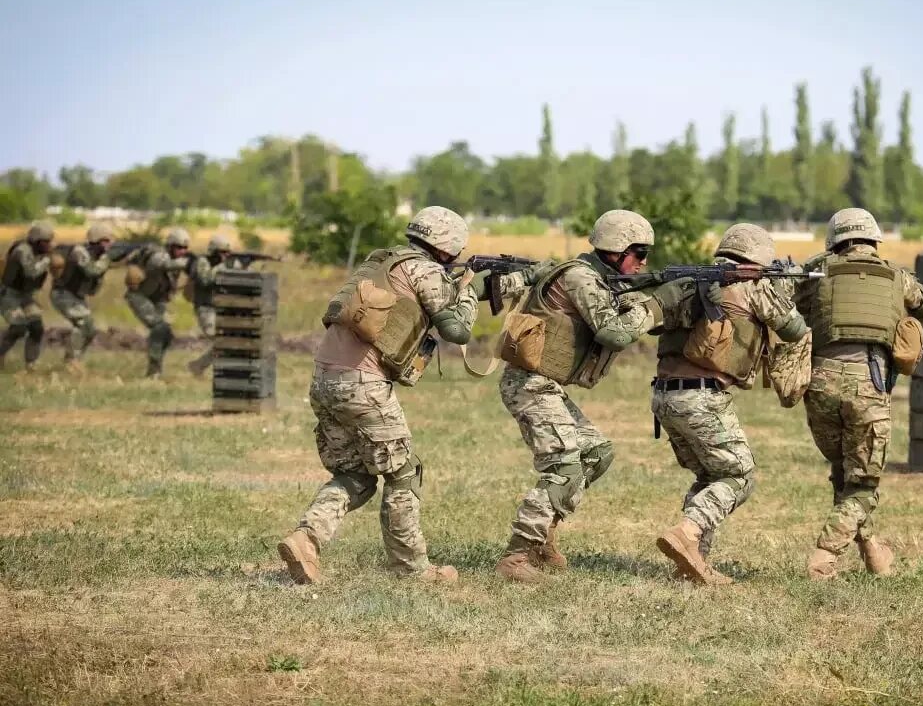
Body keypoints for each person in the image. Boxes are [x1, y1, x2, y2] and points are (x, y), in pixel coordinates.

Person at [278, 206, 549, 585]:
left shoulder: (385, 262)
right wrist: (470, 288)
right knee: (404, 474)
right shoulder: (426, 271)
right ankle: (413, 571)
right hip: (364, 385)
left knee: (355, 474)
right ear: (448, 245)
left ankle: (305, 539)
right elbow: (456, 329)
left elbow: (445, 294)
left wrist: (516, 279)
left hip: (326, 381)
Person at [493, 209, 696, 583]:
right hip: (529, 384)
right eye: (639, 252)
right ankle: (516, 556)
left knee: (596, 451)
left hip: (544, 385)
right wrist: (656, 304)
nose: (644, 261)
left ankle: (542, 537)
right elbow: (614, 333)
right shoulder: (580, 278)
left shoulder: (599, 280)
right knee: (565, 465)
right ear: (616, 250)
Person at [652, 223, 809, 585]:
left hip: (664, 395)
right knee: (740, 476)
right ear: (758, 261)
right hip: (701, 396)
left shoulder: (694, 281)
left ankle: (692, 563)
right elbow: (794, 329)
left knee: (712, 476)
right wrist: (781, 288)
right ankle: (688, 533)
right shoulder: (751, 287)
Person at [796, 208, 923, 581]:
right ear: (873, 239)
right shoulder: (897, 276)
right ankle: (823, 559)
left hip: (819, 382)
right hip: (868, 383)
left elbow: (789, 299)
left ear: (835, 240)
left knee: (845, 471)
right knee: (863, 485)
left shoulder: (816, 271)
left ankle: (874, 552)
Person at [125, 226, 192, 378]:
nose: (182, 251)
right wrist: (190, 262)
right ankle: (154, 371)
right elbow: (165, 264)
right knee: (159, 327)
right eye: (179, 247)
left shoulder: (177, 260)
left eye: (185, 248)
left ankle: (154, 369)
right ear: (170, 246)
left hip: (157, 298)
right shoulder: (158, 255)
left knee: (166, 334)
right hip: (139, 296)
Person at [50, 223, 115, 372]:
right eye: (106, 241)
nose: (110, 244)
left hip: (75, 296)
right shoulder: (80, 252)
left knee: (90, 329)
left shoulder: (97, 255)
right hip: (63, 294)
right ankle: (71, 361)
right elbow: (91, 271)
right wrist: (106, 260)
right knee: (83, 324)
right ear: (95, 240)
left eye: (111, 241)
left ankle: (75, 359)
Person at [0, 221, 56, 371]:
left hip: (25, 296)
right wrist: (47, 260)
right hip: (9, 296)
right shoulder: (22, 251)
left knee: (37, 327)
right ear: (37, 241)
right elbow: (31, 272)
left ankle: (31, 363)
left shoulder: (40, 252)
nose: (49, 245)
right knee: (18, 327)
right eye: (46, 242)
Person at [186, 234, 235, 377]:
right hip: (205, 309)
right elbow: (205, 280)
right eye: (223, 253)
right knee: (221, 340)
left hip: (219, 309)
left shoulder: (219, 265)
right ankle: (201, 366)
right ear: (214, 251)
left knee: (228, 341)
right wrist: (222, 267)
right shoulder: (202, 262)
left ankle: (198, 365)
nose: (226, 256)